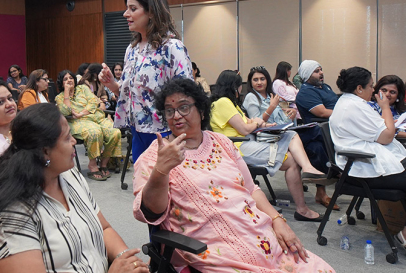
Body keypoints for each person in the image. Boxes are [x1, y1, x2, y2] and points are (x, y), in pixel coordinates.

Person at [133, 79, 335, 272]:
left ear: (201, 111)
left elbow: (251, 189)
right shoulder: (155, 156)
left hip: (257, 234)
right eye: (169, 110)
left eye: (184, 107)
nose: (176, 115)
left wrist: (277, 219)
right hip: (212, 250)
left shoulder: (221, 142)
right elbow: (152, 212)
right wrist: (161, 170)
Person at [0, 103, 149, 273]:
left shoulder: (69, 176)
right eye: (67, 138)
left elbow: (104, 228)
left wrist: (127, 261)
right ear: (44, 152)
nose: (74, 142)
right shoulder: (11, 219)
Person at [330, 66, 406, 262]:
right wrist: (384, 108)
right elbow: (387, 136)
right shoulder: (354, 107)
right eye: (371, 86)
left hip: (373, 157)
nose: (373, 90)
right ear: (359, 88)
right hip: (365, 167)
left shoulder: (353, 103)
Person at [211, 70, 325, 222]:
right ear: (234, 86)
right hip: (239, 148)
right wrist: (257, 122)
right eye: (239, 86)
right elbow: (245, 128)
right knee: (292, 160)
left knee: (291, 134)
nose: (241, 89)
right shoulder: (223, 103)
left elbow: (249, 122)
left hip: (249, 141)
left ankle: (307, 168)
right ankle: (302, 209)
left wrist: (262, 124)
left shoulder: (230, 103)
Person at [99, 0, 192, 161]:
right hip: (137, 131)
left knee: (165, 178)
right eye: (127, 8)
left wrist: (178, 134)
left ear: (151, 12)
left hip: (165, 132)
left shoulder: (172, 47)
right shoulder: (132, 49)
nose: (126, 14)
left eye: (133, 9)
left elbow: (187, 95)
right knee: (141, 178)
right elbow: (127, 94)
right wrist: (111, 84)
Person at [55, 70, 121, 180]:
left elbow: (93, 102)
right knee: (94, 132)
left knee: (115, 132)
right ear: (61, 83)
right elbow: (66, 111)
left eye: (70, 78)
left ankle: (104, 163)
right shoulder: (60, 97)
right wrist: (66, 92)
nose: (69, 80)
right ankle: (93, 165)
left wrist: (82, 113)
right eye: (65, 79)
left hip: (96, 117)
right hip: (77, 122)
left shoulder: (83, 89)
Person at [293, 60, 339, 210]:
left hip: (334, 125)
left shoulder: (325, 87)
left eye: (321, 69)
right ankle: (324, 190)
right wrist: (345, 114)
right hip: (317, 130)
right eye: (316, 71)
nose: (321, 73)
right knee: (317, 147)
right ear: (307, 75)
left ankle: (340, 177)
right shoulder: (305, 92)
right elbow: (322, 112)